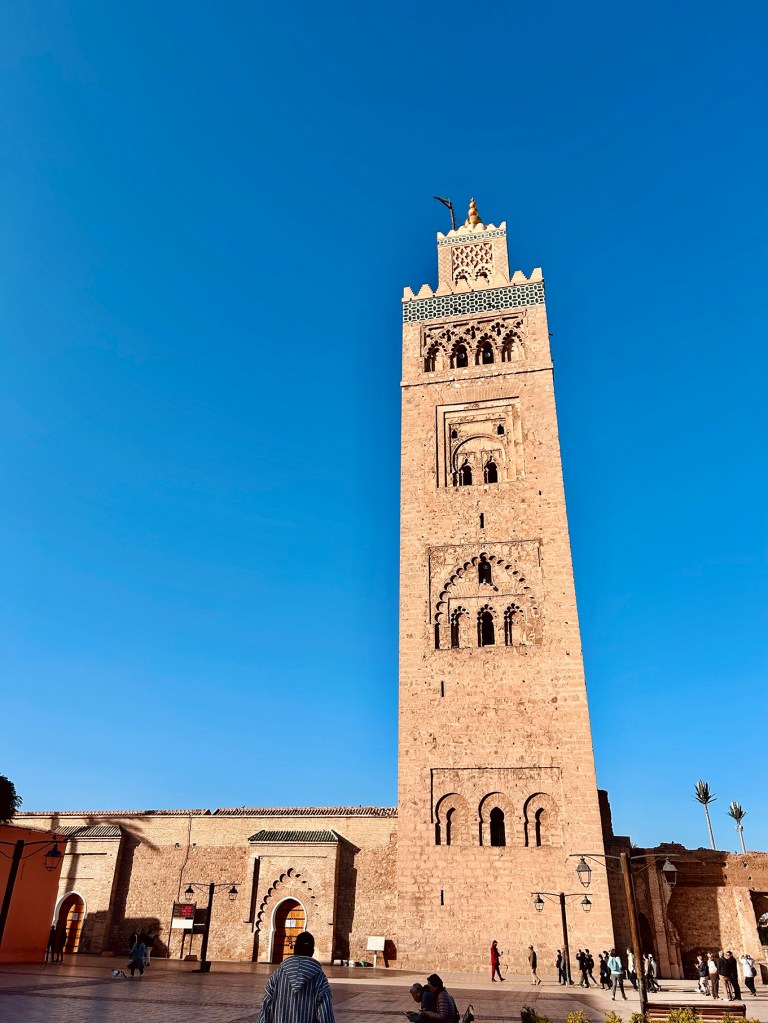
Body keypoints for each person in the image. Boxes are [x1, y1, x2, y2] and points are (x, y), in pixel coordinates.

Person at [258, 931, 335, 1023]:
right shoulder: (319, 978)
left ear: (294, 949)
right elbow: (325, 1015)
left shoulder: (277, 975)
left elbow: (266, 1010)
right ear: (312, 952)